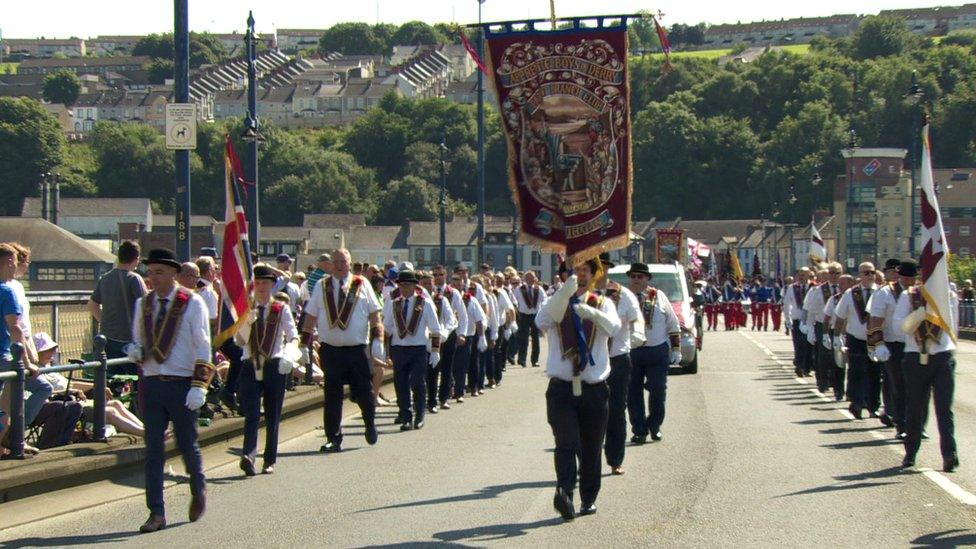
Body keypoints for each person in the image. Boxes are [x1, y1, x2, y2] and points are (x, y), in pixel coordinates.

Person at [127, 248, 215, 533]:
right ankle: (156, 512)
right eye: (150, 272)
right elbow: (139, 339)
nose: (153, 278)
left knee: (187, 443)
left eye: (159, 272)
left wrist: (200, 385)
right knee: (153, 450)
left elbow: (203, 345)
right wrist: (135, 350)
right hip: (153, 383)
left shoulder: (192, 303)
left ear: (174, 274)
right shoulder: (145, 304)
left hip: (181, 383)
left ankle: (198, 487)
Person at [537, 258, 620, 520]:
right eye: (574, 271)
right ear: (565, 275)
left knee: (591, 447)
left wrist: (593, 314)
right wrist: (564, 294)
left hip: (593, 388)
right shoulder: (555, 302)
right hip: (561, 388)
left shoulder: (603, 303)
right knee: (566, 443)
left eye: (585, 271)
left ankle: (588, 497)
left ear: (593, 275)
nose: (580, 275)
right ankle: (565, 493)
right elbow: (542, 321)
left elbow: (615, 328)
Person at [301, 249, 382, 453]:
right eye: (335, 261)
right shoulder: (322, 286)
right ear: (330, 265)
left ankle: (370, 423)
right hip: (331, 350)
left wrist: (378, 339)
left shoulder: (361, 284)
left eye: (343, 261)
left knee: (364, 392)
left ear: (349, 262)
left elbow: (374, 314)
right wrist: (304, 344)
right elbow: (310, 316)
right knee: (332, 396)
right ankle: (333, 437)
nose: (339, 265)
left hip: (357, 350)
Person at [894, 259, 959, 472]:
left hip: (942, 356)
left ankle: (950, 454)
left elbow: (953, 327)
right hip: (915, 356)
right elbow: (899, 327)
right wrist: (921, 312)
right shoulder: (909, 296)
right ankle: (910, 452)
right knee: (915, 407)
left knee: (944, 408)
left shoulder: (949, 296)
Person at [234, 264, 299, 475]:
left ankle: (269, 459)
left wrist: (290, 355)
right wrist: (247, 323)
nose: (261, 287)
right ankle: (249, 456)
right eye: (258, 283)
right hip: (250, 364)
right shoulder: (247, 308)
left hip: (274, 364)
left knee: (273, 414)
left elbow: (293, 336)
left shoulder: (281, 309)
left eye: (265, 283)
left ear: (272, 285)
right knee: (251, 413)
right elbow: (239, 341)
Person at [596, 254, 642, 476]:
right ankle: (587, 460)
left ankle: (615, 459)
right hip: (591, 360)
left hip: (618, 358)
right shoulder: (582, 294)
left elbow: (637, 320)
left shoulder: (624, 295)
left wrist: (636, 339)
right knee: (589, 411)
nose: (598, 271)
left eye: (601, 267)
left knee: (616, 410)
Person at [626, 262, 681, 444]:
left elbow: (673, 323)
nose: (636, 279)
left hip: (657, 351)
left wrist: (676, 348)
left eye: (640, 276)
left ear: (647, 279)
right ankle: (639, 430)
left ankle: (654, 425)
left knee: (658, 391)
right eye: (633, 276)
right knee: (633, 394)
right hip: (631, 352)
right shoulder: (623, 298)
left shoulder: (658, 296)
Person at [384, 270, 441, 430]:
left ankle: (420, 413)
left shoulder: (425, 303)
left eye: (407, 285)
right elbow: (387, 326)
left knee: (417, 382)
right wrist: (382, 348)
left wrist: (435, 350)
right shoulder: (393, 302)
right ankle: (406, 416)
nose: (403, 288)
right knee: (400, 384)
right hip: (399, 348)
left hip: (418, 348)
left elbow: (435, 328)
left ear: (415, 286)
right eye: (401, 285)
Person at [88, 240, 147, 377]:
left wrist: (105, 321)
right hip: (129, 341)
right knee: (136, 382)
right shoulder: (134, 279)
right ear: (136, 259)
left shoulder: (105, 278)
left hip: (107, 340)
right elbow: (147, 306)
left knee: (110, 381)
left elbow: (92, 305)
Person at [867, 259, 908, 435]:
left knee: (914, 386)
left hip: (913, 344)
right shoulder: (883, 293)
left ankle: (916, 424)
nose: (895, 274)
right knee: (895, 383)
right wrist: (877, 344)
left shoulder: (915, 291)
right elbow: (875, 320)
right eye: (891, 271)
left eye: (898, 271)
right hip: (892, 344)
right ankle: (895, 417)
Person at [832, 262, 878, 420]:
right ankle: (857, 403)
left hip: (875, 338)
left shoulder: (880, 292)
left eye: (873, 272)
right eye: (866, 272)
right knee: (857, 372)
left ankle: (873, 406)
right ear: (860, 275)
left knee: (874, 373)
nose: (870, 275)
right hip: (856, 338)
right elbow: (840, 316)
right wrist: (836, 336)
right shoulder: (851, 293)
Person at [421, 271, 457, 414]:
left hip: (440, 339)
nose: (427, 286)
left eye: (429, 283)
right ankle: (427, 400)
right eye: (424, 284)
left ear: (433, 284)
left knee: (443, 370)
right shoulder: (418, 300)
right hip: (423, 341)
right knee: (428, 373)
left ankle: (441, 399)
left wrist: (445, 333)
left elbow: (451, 320)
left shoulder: (441, 300)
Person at [431, 265, 466, 410]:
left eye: (440, 274)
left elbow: (462, 314)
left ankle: (443, 398)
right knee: (432, 366)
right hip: (433, 333)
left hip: (449, 333)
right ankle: (430, 397)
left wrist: (461, 333)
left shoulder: (453, 293)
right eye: (435, 274)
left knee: (446, 367)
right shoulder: (429, 292)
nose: (438, 277)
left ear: (445, 276)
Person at [451, 272, 486, 403]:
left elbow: (479, 319)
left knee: (465, 364)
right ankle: (452, 389)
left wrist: (482, 336)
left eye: (458, 284)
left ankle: (468, 388)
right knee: (451, 365)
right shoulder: (447, 297)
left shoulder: (471, 300)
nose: (455, 286)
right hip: (451, 336)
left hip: (468, 336)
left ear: (462, 285)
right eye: (453, 283)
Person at [784, 268, 811, 382]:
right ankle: (799, 366)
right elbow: (787, 304)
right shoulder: (792, 288)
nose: (801, 277)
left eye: (804, 275)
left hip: (810, 320)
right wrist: (787, 318)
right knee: (798, 343)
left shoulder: (814, 287)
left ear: (808, 275)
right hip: (797, 319)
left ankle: (806, 367)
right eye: (800, 274)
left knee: (808, 344)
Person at [515, 271, 546, 368]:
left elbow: (544, 299)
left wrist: (542, 308)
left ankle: (534, 360)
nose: (532, 280)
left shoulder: (539, 289)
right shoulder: (519, 289)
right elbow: (514, 300)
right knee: (523, 338)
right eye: (530, 278)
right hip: (523, 315)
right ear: (525, 279)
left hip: (535, 315)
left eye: (533, 278)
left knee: (535, 338)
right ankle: (522, 359)